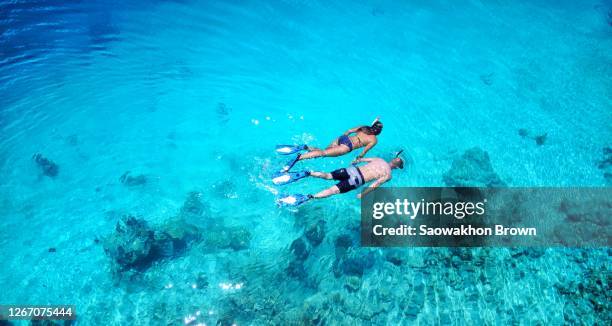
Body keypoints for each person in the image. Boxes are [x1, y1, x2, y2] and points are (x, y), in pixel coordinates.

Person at [276, 154, 404, 206]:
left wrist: (355, 161)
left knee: (327, 175)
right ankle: (310, 196)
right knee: (331, 190)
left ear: (393, 159)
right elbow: (375, 185)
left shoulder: (378, 159)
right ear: (397, 168)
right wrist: (363, 194)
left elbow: (359, 159)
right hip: (357, 180)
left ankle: (309, 173)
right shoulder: (388, 175)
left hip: (351, 170)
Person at [277, 118, 383, 172]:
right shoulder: (374, 140)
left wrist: (342, 139)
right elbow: (363, 152)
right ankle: (299, 157)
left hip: (343, 138)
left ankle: (305, 147)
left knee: (323, 150)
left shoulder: (364, 127)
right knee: (323, 153)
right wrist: (357, 160)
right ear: (378, 132)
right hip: (347, 147)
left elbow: (349, 130)